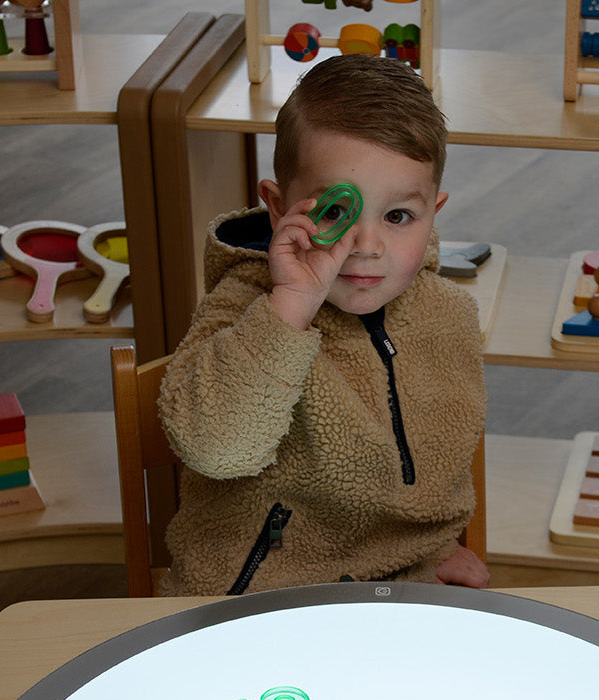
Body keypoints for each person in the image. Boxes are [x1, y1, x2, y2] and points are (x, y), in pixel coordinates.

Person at [157, 52, 487, 596]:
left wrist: (431, 548)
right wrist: (291, 303)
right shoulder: (244, 307)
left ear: (434, 211)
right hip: (257, 598)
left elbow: (437, 465)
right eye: (336, 213)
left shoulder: (447, 315)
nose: (367, 246)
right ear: (276, 206)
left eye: (398, 216)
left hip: (396, 589)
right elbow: (214, 448)